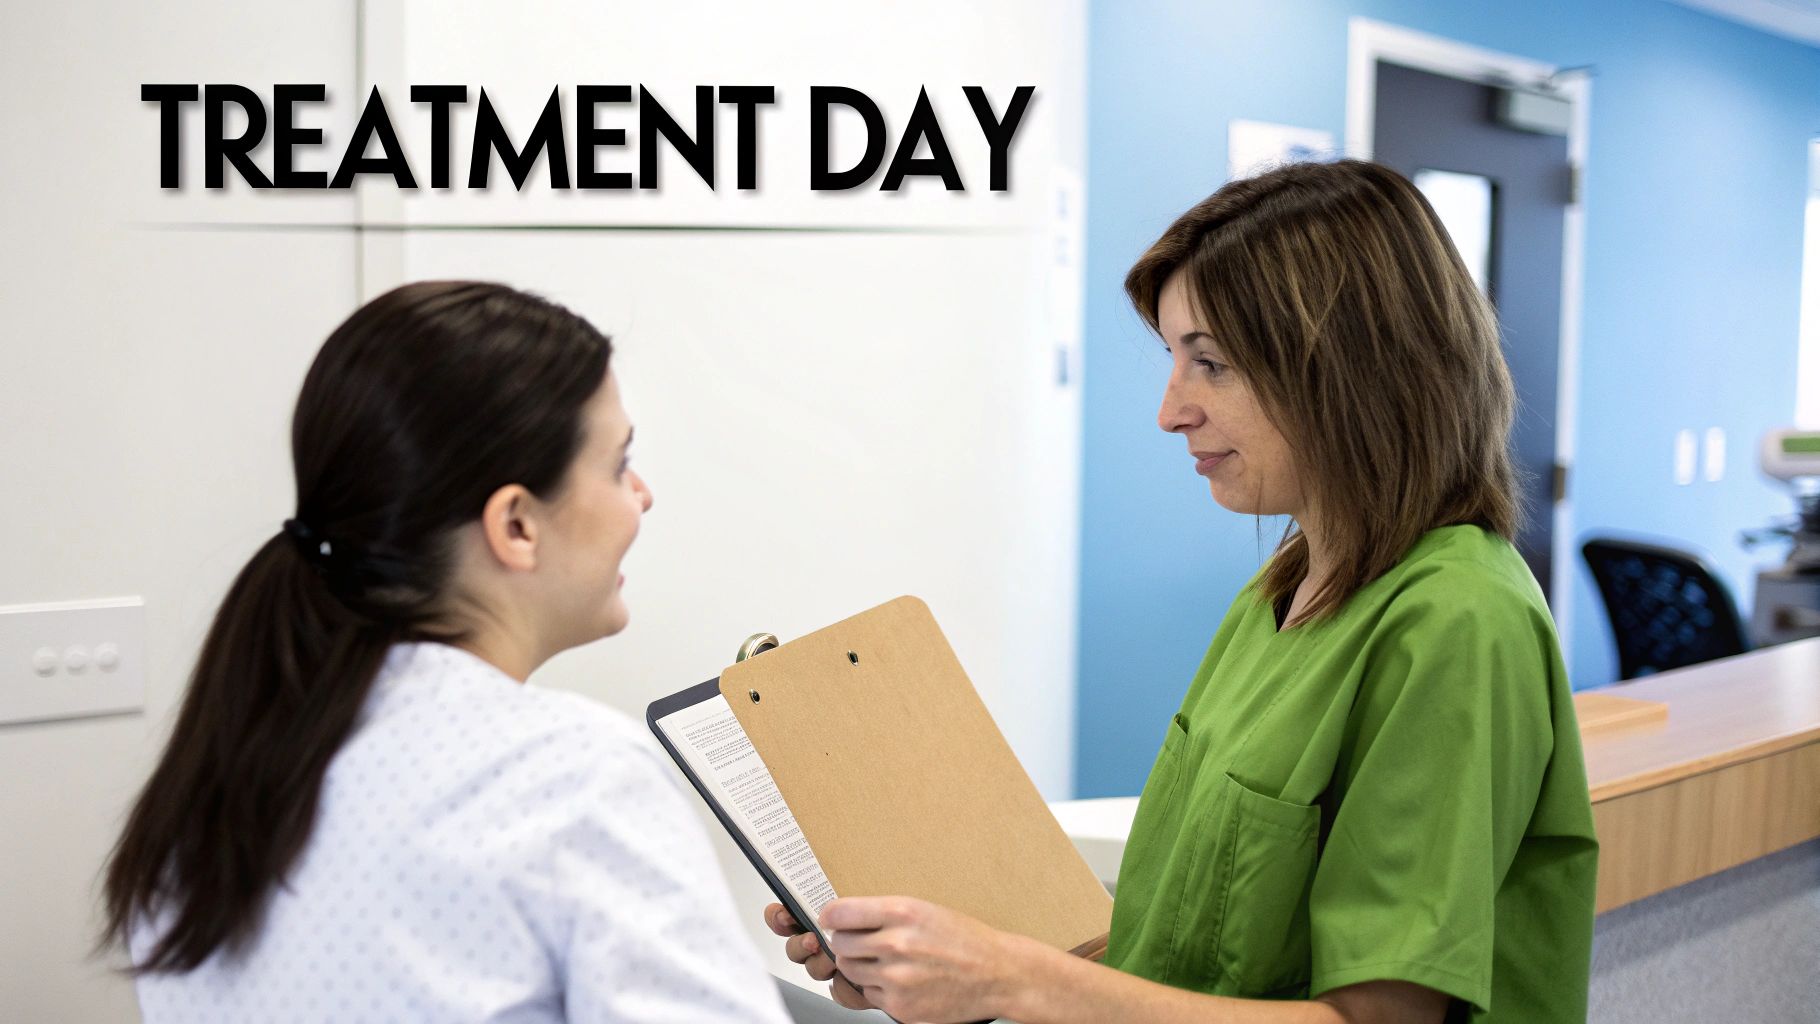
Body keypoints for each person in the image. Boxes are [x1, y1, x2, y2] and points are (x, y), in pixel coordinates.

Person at [766, 160, 1600, 1023]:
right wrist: (938, 954)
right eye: (1175, 360)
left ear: (1352, 367)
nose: (1172, 410)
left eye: (1213, 365)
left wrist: (1014, 980)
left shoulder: (1460, 623)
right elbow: (1189, 951)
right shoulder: (1282, 594)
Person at [101, 281, 793, 1023]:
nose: (642, 496)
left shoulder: (220, 782)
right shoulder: (575, 782)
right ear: (517, 525)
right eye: (619, 464)